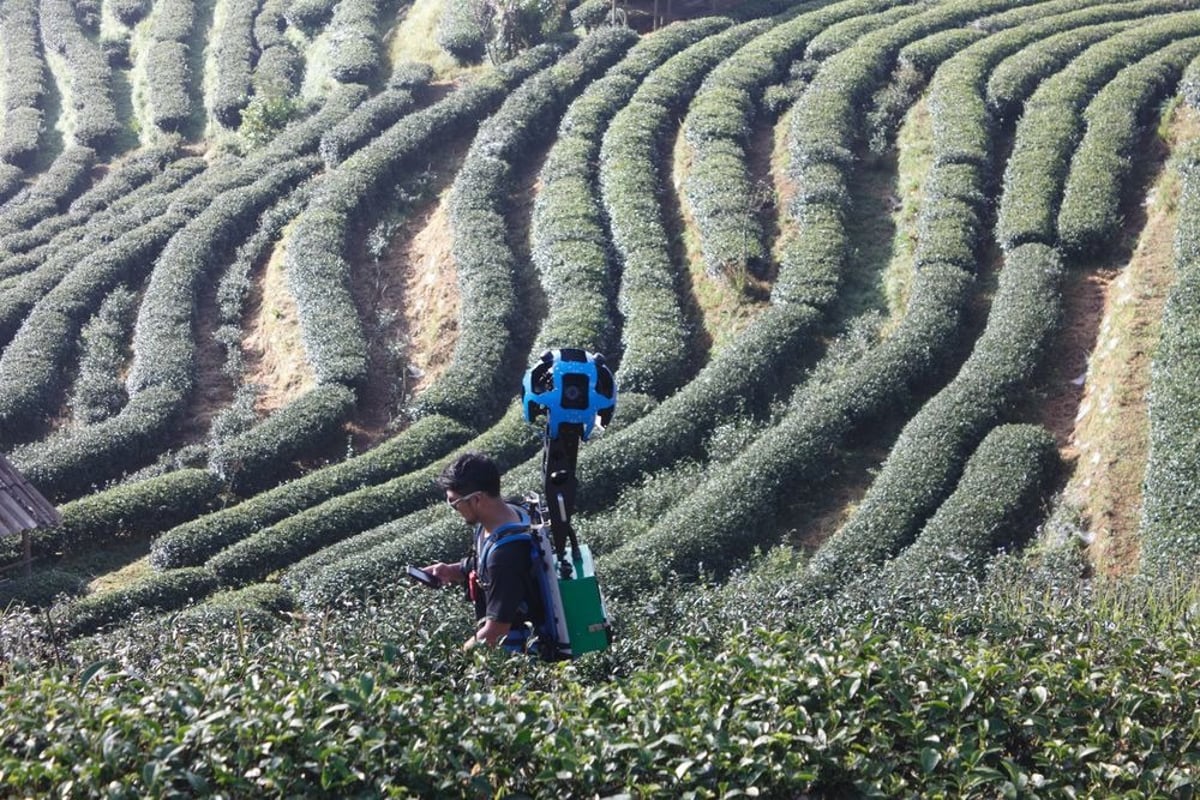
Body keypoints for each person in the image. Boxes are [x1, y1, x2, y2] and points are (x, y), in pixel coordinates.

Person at [423, 452, 544, 654]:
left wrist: (456, 659)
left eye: (454, 502)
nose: (454, 508)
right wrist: (451, 570)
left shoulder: (506, 556)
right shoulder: (512, 512)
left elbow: (496, 631)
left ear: (477, 498)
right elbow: (481, 563)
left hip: (520, 656)